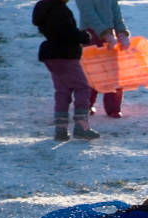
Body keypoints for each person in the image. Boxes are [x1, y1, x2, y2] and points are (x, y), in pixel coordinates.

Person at [32, 0, 100, 141]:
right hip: (65, 54)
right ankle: (82, 126)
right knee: (82, 87)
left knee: (62, 90)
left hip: (51, 55)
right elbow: (66, 32)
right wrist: (84, 36)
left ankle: (61, 129)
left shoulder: (44, 8)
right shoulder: (59, 10)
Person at [75, 0, 130, 118]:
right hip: (90, 34)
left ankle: (113, 108)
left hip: (109, 34)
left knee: (113, 73)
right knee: (91, 72)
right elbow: (88, 14)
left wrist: (121, 32)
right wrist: (104, 33)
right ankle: (86, 105)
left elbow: (116, 13)